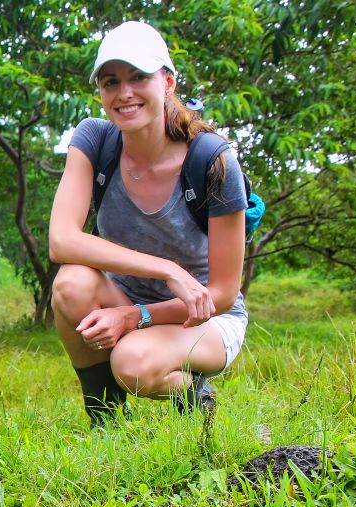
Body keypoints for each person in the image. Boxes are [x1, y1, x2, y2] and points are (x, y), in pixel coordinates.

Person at [48, 20, 249, 427]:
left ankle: (194, 396)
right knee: (70, 284)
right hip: (125, 296)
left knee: (132, 363)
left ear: (168, 82)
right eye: (110, 82)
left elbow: (223, 294)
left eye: (138, 77)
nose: (124, 92)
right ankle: (106, 420)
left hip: (204, 318)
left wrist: (135, 317)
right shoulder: (94, 140)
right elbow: (61, 241)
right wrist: (168, 270)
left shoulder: (212, 161)